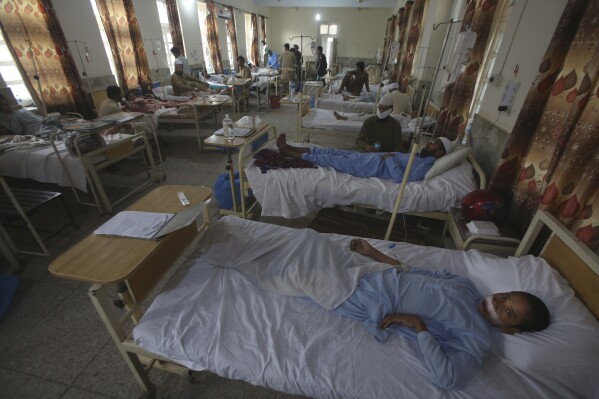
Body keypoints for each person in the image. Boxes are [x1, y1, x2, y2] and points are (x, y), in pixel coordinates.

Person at [335, 238, 550, 389]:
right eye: (505, 296)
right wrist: (373, 253)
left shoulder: (477, 338)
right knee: (308, 240)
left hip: (369, 299)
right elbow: (414, 271)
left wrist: (419, 326)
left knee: (306, 270)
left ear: (508, 328)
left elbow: (448, 378)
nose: (497, 301)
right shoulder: (466, 286)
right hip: (374, 273)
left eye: (508, 312)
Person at [277, 133, 457, 183]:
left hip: (369, 168)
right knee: (332, 151)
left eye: (434, 143)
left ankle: (289, 153)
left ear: (440, 153)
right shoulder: (422, 155)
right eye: (432, 140)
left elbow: (400, 178)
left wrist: (389, 158)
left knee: (330, 160)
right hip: (370, 158)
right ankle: (293, 147)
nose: (429, 142)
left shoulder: (424, 166)